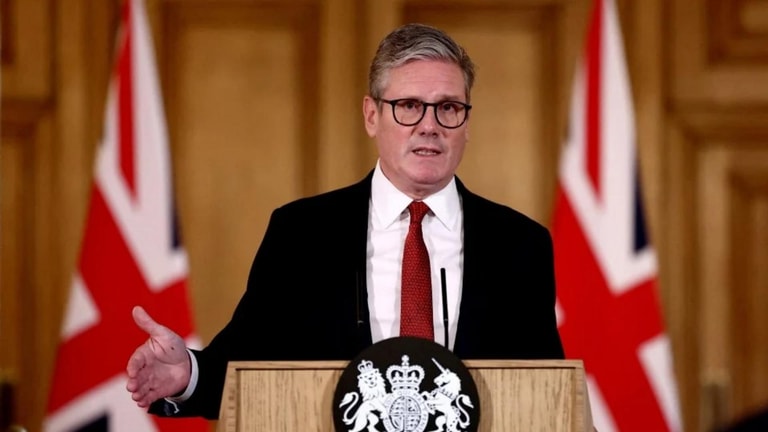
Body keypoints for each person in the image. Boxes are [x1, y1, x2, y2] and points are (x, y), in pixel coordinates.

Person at [126, 22, 564, 419]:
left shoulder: (520, 245)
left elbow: (547, 391)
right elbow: (244, 363)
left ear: (466, 123)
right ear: (372, 116)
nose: (429, 125)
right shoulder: (303, 235)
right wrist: (188, 374)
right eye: (409, 105)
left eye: (448, 107)